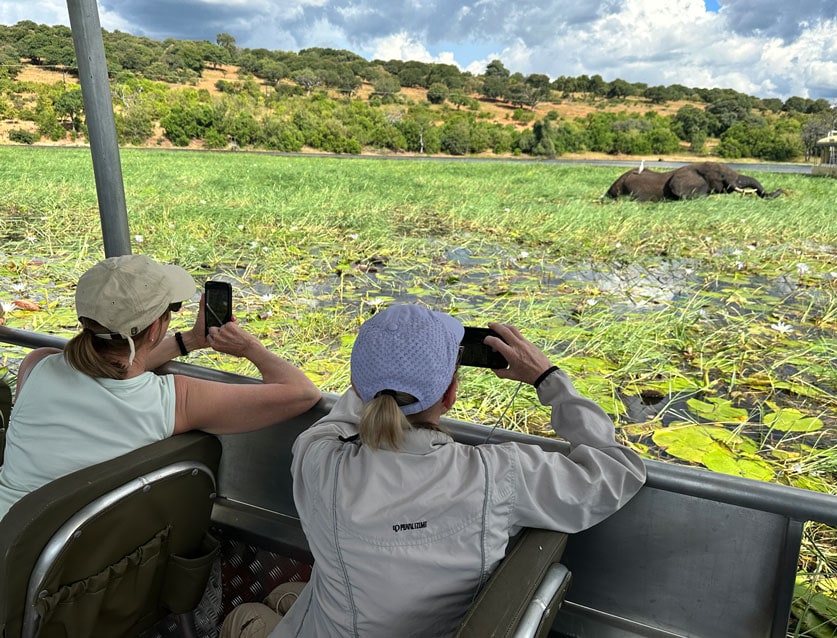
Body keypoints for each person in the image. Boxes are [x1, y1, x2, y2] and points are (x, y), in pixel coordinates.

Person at [220, 303, 646, 637]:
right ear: (452, 392)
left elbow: (347, 415)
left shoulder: (317, 459)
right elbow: (617, 469)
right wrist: (547, 378)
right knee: (287, 598)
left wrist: (380, 368)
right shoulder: (502, 475)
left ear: (357, 387)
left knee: (247, 616)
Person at [0, 254, 322, 519]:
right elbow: (302, 392)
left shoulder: (37, 365)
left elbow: (112, 365)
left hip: (11, 542)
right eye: (172, 310)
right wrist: (249, 347)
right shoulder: (173, 401)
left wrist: (190, 341)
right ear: (156, 328)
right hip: (57, 574)